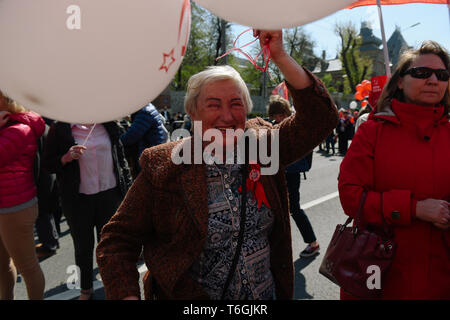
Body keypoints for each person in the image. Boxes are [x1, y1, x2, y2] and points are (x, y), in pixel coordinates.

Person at [96, 29, 338, 300]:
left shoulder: (262, 145)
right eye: (213, 104)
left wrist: (279, 55)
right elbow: (117, 241)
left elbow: (320, 117)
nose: (226, 115)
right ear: (192, 111)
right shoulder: (164, 165)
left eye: (236, 104)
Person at [338, 40, 450, 299]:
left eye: (442, 75)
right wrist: (414, 208)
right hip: (380, 274)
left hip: (441, 277)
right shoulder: (372, 131)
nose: (433, 80)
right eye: (422, 73)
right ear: (400, 81)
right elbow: (350, 197)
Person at [43, 121, 132, 300]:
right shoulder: (61, 128)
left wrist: (128, 189)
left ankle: (111, 286)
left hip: (109, 195)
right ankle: (86, 289)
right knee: (83, 247)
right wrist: (65, 158)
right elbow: (47, 164)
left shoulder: (108, 124)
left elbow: (120, 157)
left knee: (109, 246)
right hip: (78, 199)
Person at [0, 91, 46, 300]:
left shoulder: (19, 130)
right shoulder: (9, 127)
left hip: (14, 208)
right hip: (8, 206)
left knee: (27, 267)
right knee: (2, 266)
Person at [267, 95, 320, 258]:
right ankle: (274, 246)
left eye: (281, 114)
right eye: (275, 115)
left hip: (291, 173)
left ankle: (312, 242)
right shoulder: (273, 127)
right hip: (276, 172)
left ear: (286, 112)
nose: (278, 118)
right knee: (274, 209)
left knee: (294, 208)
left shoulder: (294, 127)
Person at [120, 103, 168, 178]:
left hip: (148, 159)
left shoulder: (144, 112)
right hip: (152, 154)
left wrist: (114, 140)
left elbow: (130, 137)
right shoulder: (147, 108)